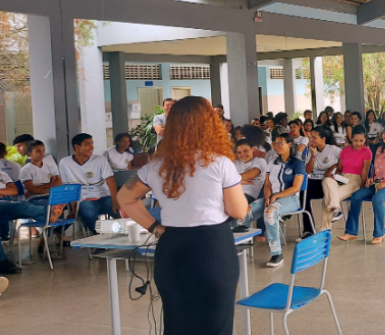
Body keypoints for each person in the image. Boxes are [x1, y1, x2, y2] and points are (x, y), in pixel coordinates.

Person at [117, 96, 247, 335]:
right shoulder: (221, 164)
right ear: (210, 124)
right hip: (213, 248)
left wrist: (155, 227)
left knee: (177, 325)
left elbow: (124, 198)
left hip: (172, 248)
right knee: (215, 325)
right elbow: (238, 211)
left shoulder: (153, 167)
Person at [241, 132, 305, 268]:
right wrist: (268, 196)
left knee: (269, 212)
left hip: (291, 199)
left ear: (289, 145)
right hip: (272, 196)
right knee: (245, 212)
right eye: (275, 143)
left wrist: (276, 196)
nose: (277, 145)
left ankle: (277, 254)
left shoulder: (297, 163)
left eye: (280, 142)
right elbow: (268, 184)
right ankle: (241, 248)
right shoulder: (272, 163)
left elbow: (296, 187)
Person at [338, 124, 385, 244]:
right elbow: (376, 168)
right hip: (378, 183)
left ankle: (379, 233)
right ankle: (351, 232)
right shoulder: (380, 149)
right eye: (384, 132)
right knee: (356, 196)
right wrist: (371, 178)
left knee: (377, 198)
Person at [59, 133, 119, 235]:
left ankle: (126, 237)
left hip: (104, 197)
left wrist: (115, 200)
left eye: (92, 143)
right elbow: (69, 188)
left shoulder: (100, 160)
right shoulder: (65, 163)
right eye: (87, 144)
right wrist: (73, 209)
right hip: (84, 199)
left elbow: (110, 181)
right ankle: (98, 238)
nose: (92, 147)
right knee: (89, 212)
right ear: (77, 147)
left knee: (120, 212)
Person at [322, 126, 370, 230]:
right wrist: (335, 177)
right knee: (327, 180)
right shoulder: (345, 151)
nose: (358, 143)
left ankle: (325, 229)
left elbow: (365, 172)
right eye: (356, 140)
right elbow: (339, 168)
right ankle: (335, 210)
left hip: (355, 181)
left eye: (361, 140)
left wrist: (361, 190)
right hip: (342, 177)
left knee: (329, 198)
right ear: (351, 139)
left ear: (365, 140)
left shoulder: (367, 152)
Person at [302, 126, 341, 237]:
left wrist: (334, 166)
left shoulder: (333, 149)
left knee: (326, 182)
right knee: (303, 193)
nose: (311, 140)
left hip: (331, 183)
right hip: (316, 182)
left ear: (323, 139)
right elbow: (308, 170)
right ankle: (308, 230)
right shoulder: (311, 150)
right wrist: (313, 155)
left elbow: (346, 160)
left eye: (314, 138)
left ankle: (335, 211)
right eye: (311, 137)